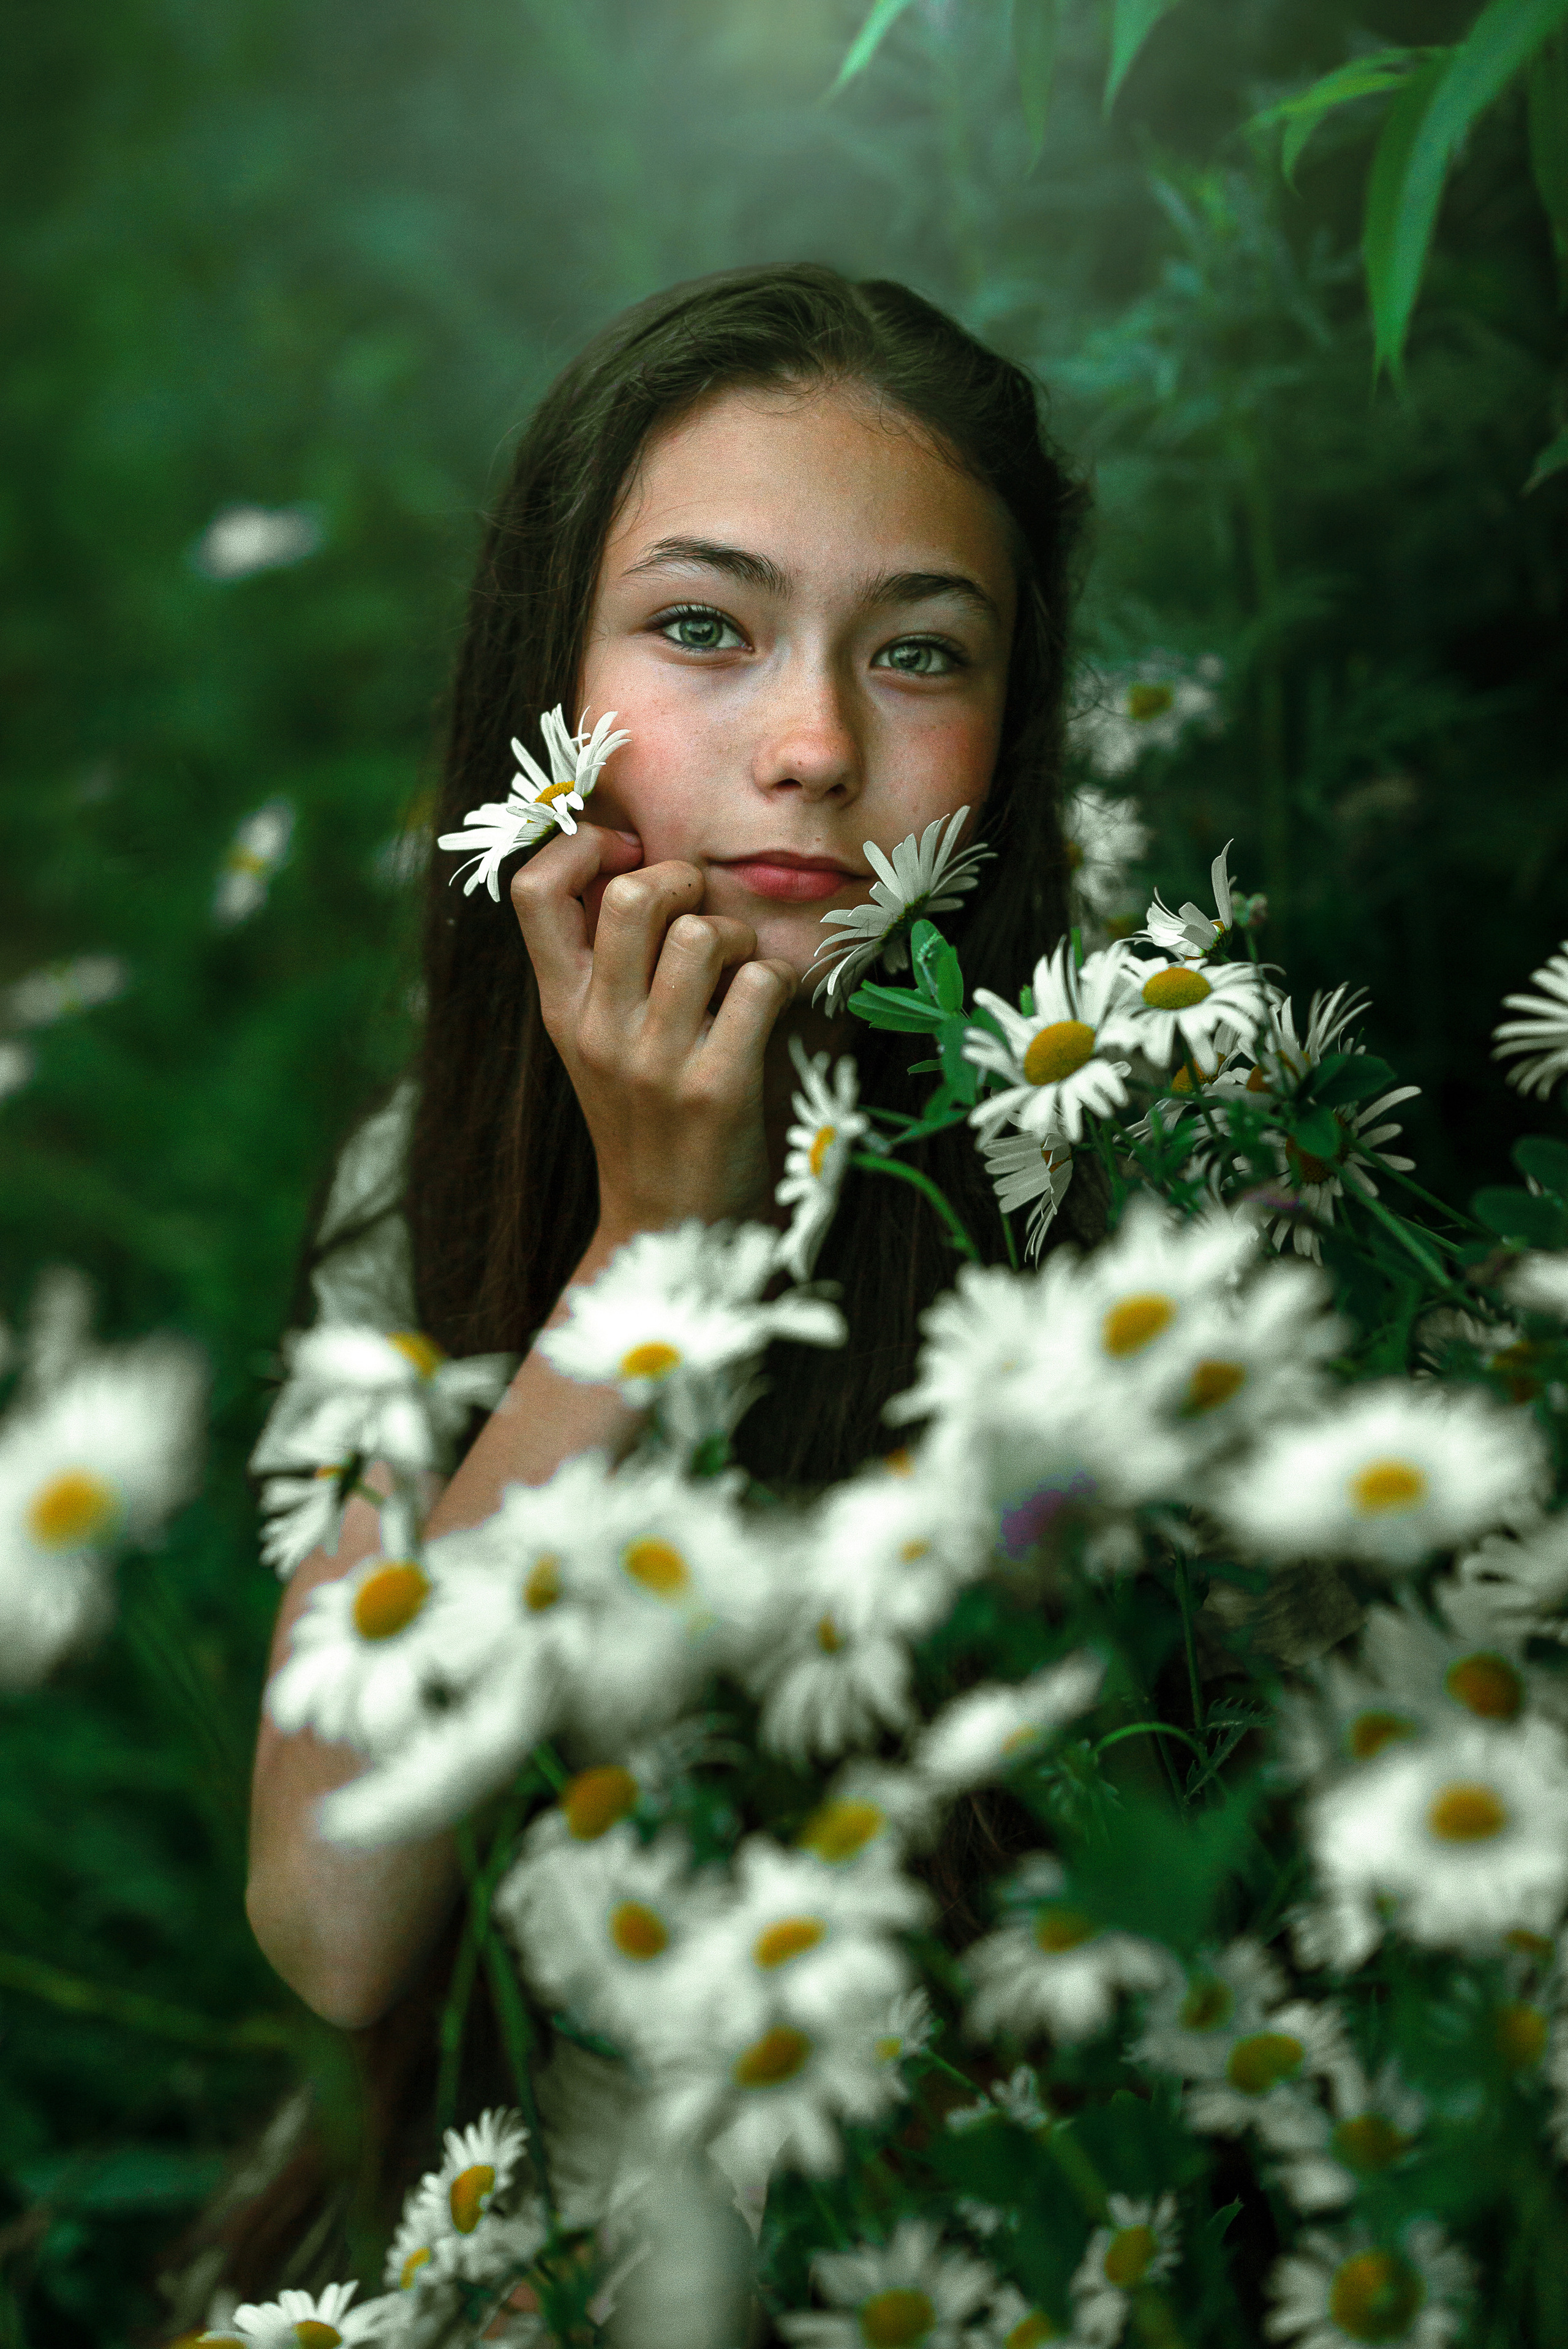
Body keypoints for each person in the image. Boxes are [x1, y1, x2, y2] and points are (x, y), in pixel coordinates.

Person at [232, 259, 1093, 2312]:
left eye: (920, 653)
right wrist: (654, 1243)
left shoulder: (1130, 1164)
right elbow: (334, 1913)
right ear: (553, 690)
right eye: (703, 628)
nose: (809, 747)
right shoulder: (428, 1175)